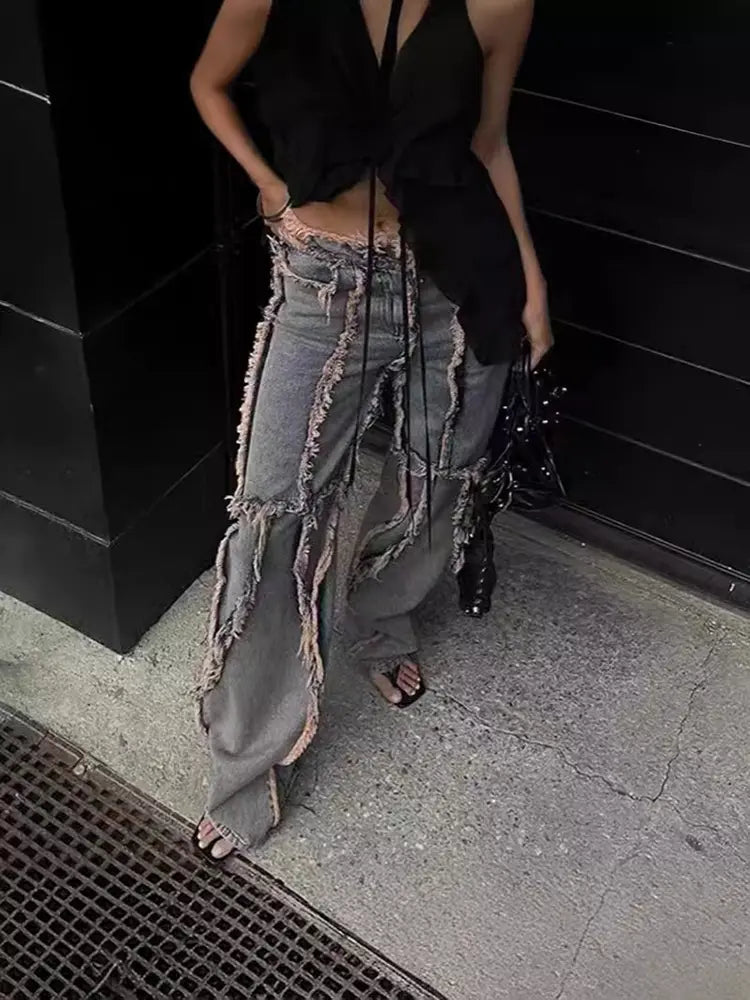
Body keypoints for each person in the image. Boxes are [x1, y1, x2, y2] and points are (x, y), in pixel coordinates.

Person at [189, 0, 553, 859]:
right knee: (275, 516)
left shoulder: (501, 3)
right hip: (324, 281)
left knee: (437, 475)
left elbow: (488, 143)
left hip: (453, 277)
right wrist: (267, 183)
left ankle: (379, 621)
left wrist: (532, 283)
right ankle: (248, 761)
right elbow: (209, 84)